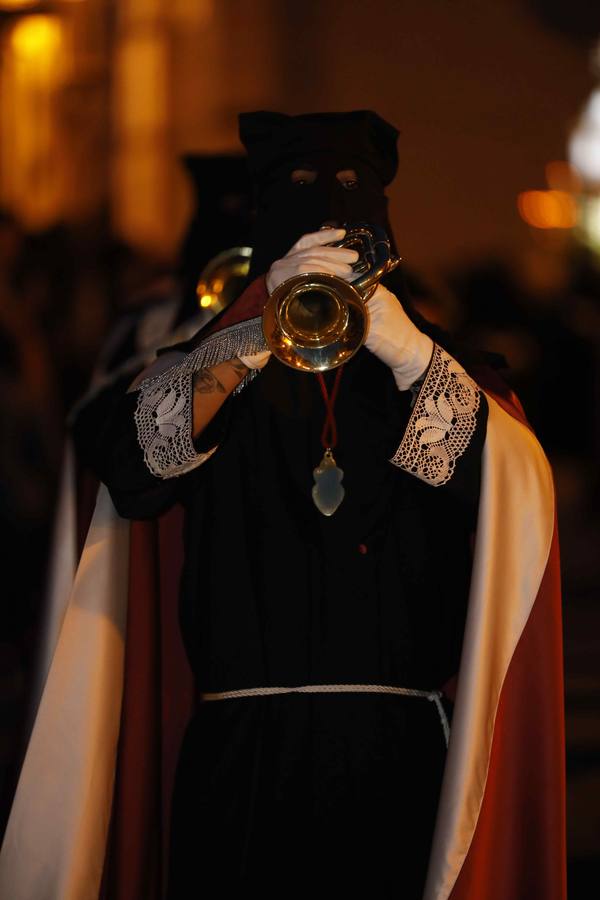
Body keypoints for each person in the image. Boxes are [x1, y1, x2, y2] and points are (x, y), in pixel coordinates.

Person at [0, 112, 565, 900]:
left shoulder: (437, 372)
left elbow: (503, 502)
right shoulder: (215, 366)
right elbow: (132, 467)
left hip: (395, 761)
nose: (325, 213)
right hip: (242, 756)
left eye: (346, 196)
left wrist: (405, 349)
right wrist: (256, 326)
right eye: (298, 197)